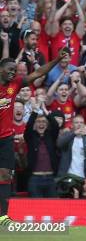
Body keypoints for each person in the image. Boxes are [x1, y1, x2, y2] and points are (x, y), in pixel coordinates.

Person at [0, 47, 70, 225]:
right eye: (10, 70)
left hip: (6, 139)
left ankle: (3, 217)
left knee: (6, 176)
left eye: (14, 71)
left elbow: (38, 72)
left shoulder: (14, 85)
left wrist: (56, 59)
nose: (13, 74)